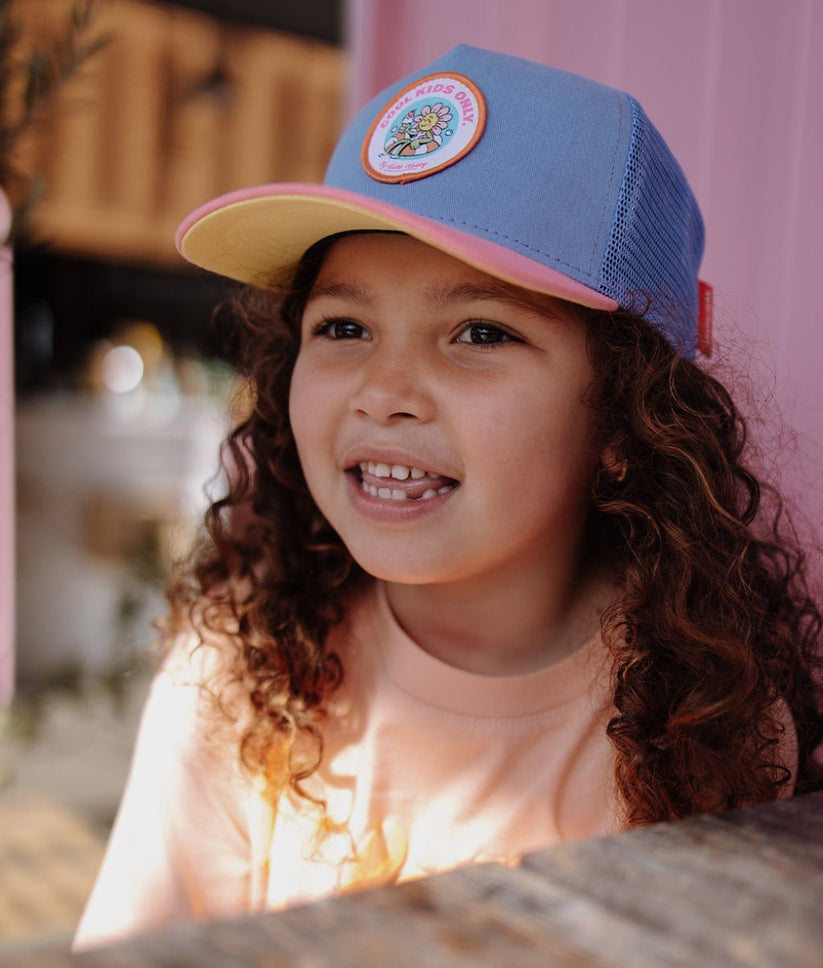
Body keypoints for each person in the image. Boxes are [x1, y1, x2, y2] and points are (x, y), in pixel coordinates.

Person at [74, 44, 823, 950]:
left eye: (478, 332)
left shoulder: (710, 718)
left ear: (628, 421)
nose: (383, 388)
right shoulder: (238, 676)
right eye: (343, 326)